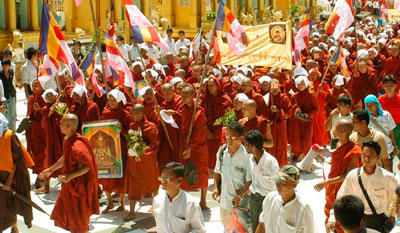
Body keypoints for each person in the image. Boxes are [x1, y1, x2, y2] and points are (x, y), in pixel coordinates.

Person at [39, 114, 100, 233]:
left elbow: (87, 166)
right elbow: (65, 157)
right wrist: (50, 170)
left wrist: (69, 176)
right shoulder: (68, 140)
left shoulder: (77, 145)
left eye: (62, 124)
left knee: (78, 217)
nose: (60, 126)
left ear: (68, 126)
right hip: (69, 184)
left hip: (79, 186)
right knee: (66, 213)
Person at [328, 141, 398, 232]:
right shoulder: (353, 176)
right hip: (358, 221)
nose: (367, 158)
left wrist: (392, 217)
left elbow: (398, 196)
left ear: (378, 157)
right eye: (364, 154)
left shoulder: (387, 177)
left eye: (371, 155)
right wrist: (332, 219)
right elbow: (341, 198)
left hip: (379, 221)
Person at [165, 86, 210, 209]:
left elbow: (198, 131)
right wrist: (173, 114)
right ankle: (184, 200)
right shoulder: (182, 108)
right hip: (184, 144)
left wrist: (190, 147)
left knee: (201, 172)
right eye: (182, 95)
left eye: (186, 95)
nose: (183, 98)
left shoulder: (199, 111)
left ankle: (203, 201)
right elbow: (181, 119)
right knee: (184, 172)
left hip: (197, 147)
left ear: (192, 96)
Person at [314, 119, 362, 233]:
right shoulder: (339, 144)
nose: (333, 130)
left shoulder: (354, 150)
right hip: (332, 189)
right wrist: (325, 160)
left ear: (343, 131)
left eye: (335, 127)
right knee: (330, 219)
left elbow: (348, 175)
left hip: (345, 190)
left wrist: (325, 183)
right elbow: (338, 162)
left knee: (342, 219)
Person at [212, 122, 252, 231]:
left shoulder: (247, 157)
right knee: (227, 229)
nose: (229, 140)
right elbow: (217, 171)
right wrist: (216, 187)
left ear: (241, 138)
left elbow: (249, 181)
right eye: (227, 136)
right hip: (224, 203)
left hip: (240, 206)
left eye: (233, 137)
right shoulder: (221, 152)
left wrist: (239, 197)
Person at [255, 165, 318, 233]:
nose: (278, 186)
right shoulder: (270, 198)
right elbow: (262, 225)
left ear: (294, 185)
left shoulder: (303, 209)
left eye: (282, 183)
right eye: (277, 181)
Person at [124, 104, 160, 221]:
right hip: (135, 161)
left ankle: (159, 208)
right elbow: (130, 140)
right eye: (131, 113)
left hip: (147, 161)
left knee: (153, 185)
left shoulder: (151, 127)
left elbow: (154, 145)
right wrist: (132, 149)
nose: (132, 116)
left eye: (134, 113)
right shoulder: (132, 126)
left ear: (141, 113)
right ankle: (132, 212)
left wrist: (141, 149)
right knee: (133, 185)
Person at [0, 113, 34, 233]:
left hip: (8, 178)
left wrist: (8, 182)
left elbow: (17, 163)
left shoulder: (9, 136)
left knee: (9, 206)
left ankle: (14, 228)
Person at [101, 89, 132, 214]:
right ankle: (109, 202)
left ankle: (122, 203)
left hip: (121, 148)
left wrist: (122, 130)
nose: (111, 102)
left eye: (113, 99)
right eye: (109, 100)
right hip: (108, 148)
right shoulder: (105, 113)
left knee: (121, 176)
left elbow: (131, 133)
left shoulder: (125, 115)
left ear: (119, 100)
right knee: (106, 175)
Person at [153, 162, 206, 233]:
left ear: (179, 180)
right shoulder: (157, 200)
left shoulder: (190, 203)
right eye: (162, 178)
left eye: (167, 178)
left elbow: (200, 230)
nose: (163, 181)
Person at [244, 130, 279, 233]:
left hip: (268, 200)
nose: (244, 147)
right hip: (255, 199)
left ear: (252, 146)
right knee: (255, 227)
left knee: (267, 228)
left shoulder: (270, 162)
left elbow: (277, 184)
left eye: (246, 145)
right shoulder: (251, 160)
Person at [35, 89, 65, 194]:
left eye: (51, 95)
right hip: (49, 138)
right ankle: (46, 186)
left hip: (60, 137)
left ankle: (64, 185)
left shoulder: (61, 106)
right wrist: (50, 113)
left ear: (55, 95)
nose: (49, 97)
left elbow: (66, 119)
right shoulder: (45, 109)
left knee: (61, 158)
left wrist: (57, 111)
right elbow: (43, 124)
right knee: (48, 160)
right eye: (47, 96)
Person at [201, 76, 233, 169]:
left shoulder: (225, 99)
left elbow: (229, 117)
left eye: (213, 85)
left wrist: (220, 130)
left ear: (218, 86)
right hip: (208, 131)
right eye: (209, 85)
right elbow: (202, 116)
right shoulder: (205, 99)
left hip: (220, 130)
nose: (210, 87)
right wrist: (207, 130)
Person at [364, 94, 397, 169]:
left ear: (376, 104)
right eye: (367, 105)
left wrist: (394, 146)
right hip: (374, 151)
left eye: (372, 105)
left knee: (388, 171)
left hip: (388, 148)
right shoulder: (366, 119)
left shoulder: (386, 115)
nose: (370, 107)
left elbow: (391, 132)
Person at [290, 76, 319, 161]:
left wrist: (308, 115)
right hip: (297, 122)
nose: (300, 85)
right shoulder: (294, 96)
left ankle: (305, 157)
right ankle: (297, 153)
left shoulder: (311, 95)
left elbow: (316, 109)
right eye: (298, 84)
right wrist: (296, 110)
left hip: (307, 122)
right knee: (296, 138)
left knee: (306, 140)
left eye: (302, 83)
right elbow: (291, 108)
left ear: (306, 84)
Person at [265, 78, 292, 166]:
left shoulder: (284, 98)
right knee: (270, 145)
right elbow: (262, 111)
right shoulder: (266, 97)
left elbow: (289, 113)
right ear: (269, 88)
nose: (274, 90)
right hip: (269, 126)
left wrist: (278, 111)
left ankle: (281, 164)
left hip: (280, 125)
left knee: (281, 145)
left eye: (276, 88)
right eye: (272, 88)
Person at [26, 80, 47, 188]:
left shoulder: (46, 96)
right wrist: (28, 118)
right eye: (33, 85)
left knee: (44, 153)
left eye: (36, 85)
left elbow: (48, 112)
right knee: (36, 152)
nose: (35, 87)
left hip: (43, 129)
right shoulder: (31, 98)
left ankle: (43, 176)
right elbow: (29, 112)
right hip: (34, 130)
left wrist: (39, 110)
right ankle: (39, 174)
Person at [378, 75, 400, 152]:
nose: (389, 88)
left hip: (398, 128)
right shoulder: (380, 100)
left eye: (391, 85)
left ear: (396, 86)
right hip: (385, 129)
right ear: (383, 87)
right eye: (386, 86)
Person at [0, 59, 16, 130]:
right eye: (3, 65)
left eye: (6, 65)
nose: (4, 67)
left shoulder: (11, 71)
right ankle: (6, 130)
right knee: (5, 114)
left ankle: (12, 130)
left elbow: (12, 81)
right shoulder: (0, 74)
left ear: (9, 65)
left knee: (12, 114)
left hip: (11, 94)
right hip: (4, 96)